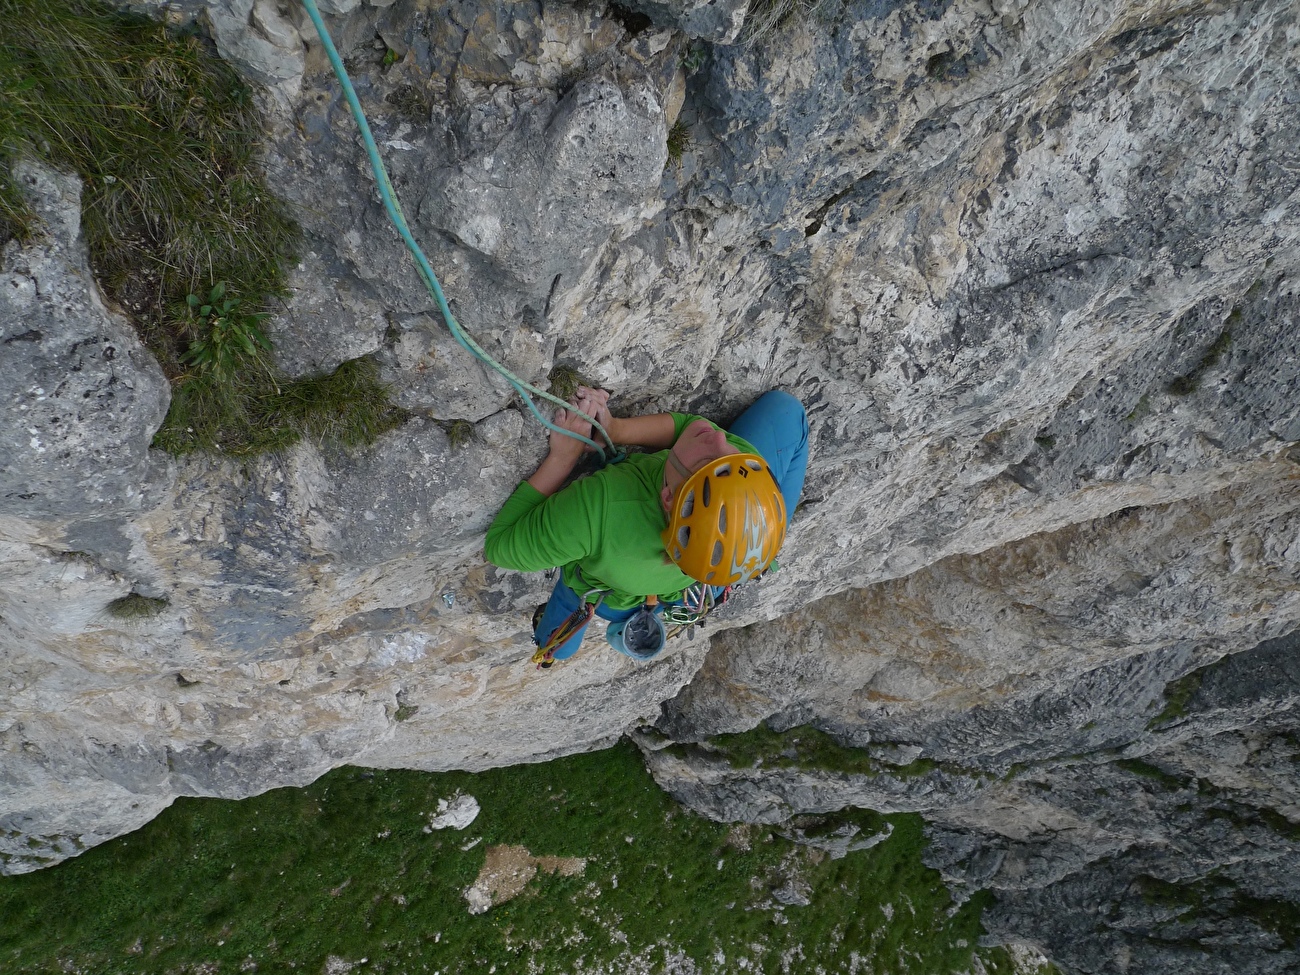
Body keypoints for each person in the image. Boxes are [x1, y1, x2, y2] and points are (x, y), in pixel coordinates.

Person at [484, 386, 809, 664]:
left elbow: (500, 546)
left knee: (558, 645)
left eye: (709, 461)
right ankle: (753, 547)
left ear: (668, 498)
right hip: (707, 573)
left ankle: (553, 641)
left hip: (604, 594)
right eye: (729, 455)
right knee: (786, 411)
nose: (723, 439)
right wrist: (616, 428)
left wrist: (563, 459)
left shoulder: (598, 509)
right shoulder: (740, 469)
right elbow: (694, 431)